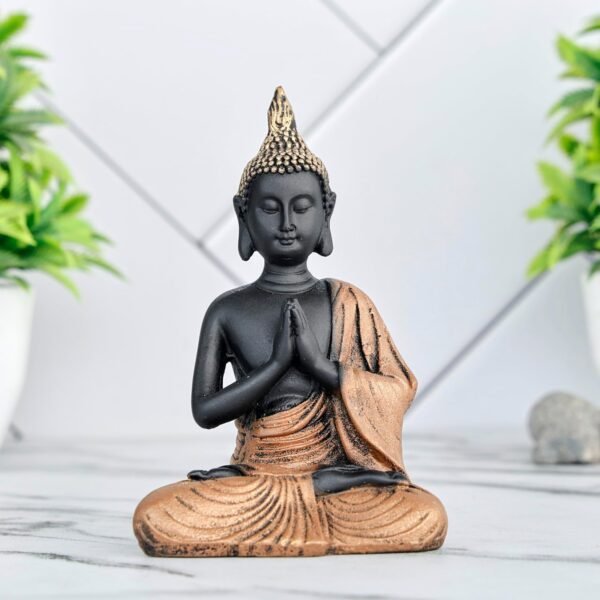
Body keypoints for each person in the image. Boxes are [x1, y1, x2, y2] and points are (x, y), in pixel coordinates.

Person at [133, 87, 447, 557]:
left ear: (326, 211)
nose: (286, 222)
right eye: (269, 208)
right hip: (256, 476)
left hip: (335, 479)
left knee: (425, 514)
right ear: (243, 215)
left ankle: (315, 494)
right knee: (155, 516)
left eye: (301, 207)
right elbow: (205, 411)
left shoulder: (348, 303)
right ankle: (311, 503)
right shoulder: (227, 310)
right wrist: (277, 365)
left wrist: (321, 368)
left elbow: (397, 388)